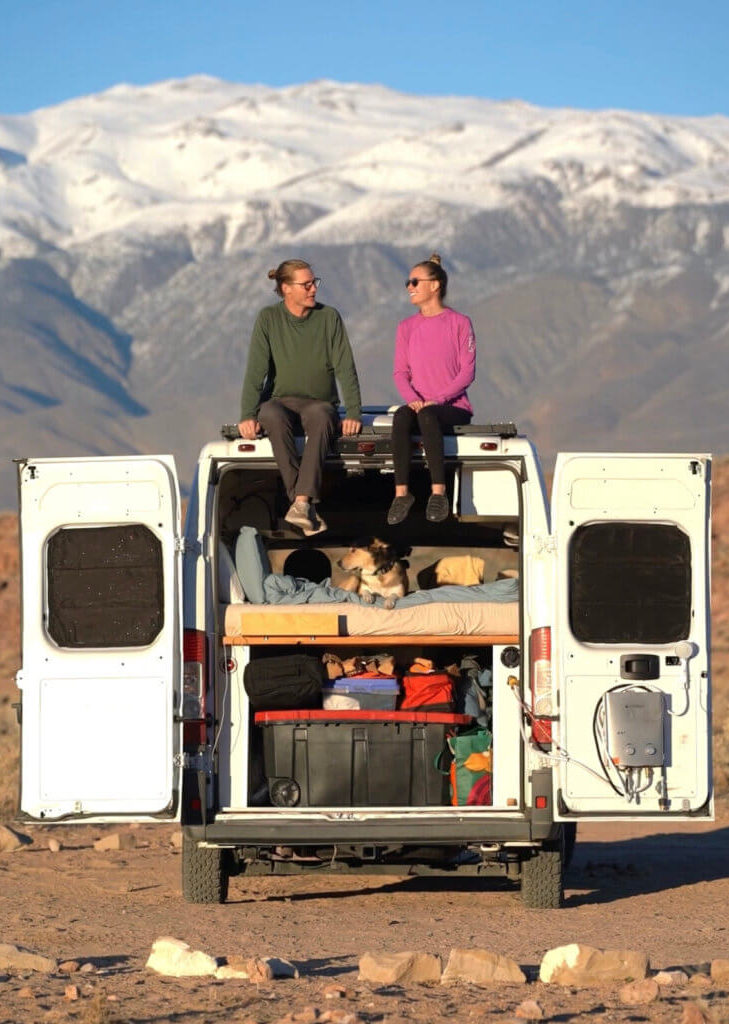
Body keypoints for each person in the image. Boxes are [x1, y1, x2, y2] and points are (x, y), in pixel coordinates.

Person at [239, 259, 362, 536]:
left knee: (321, 418)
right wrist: (247, 415)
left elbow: (345, 366)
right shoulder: (268, 319)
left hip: (319, 402)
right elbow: (256, 370)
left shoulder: (329, 317)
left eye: (314, 283)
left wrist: (353, 411)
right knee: (269, 414)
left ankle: (300, 501)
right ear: (286, 289)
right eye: (306, 284)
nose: (313, 289)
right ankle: (303, 505)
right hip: (280, 400)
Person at [387, 253, 476, 525]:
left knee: (428, 416)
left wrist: (437, 400)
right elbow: (401, 372)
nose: (409, 287)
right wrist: (413, 399)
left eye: (415, 281)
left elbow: (467, 372)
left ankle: (438, 493)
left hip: (452, 409)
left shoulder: (459, 323)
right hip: (420, 408)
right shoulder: (406, 327)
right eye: (408, 281)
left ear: (435, 285)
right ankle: (402, 493)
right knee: (402, 415)